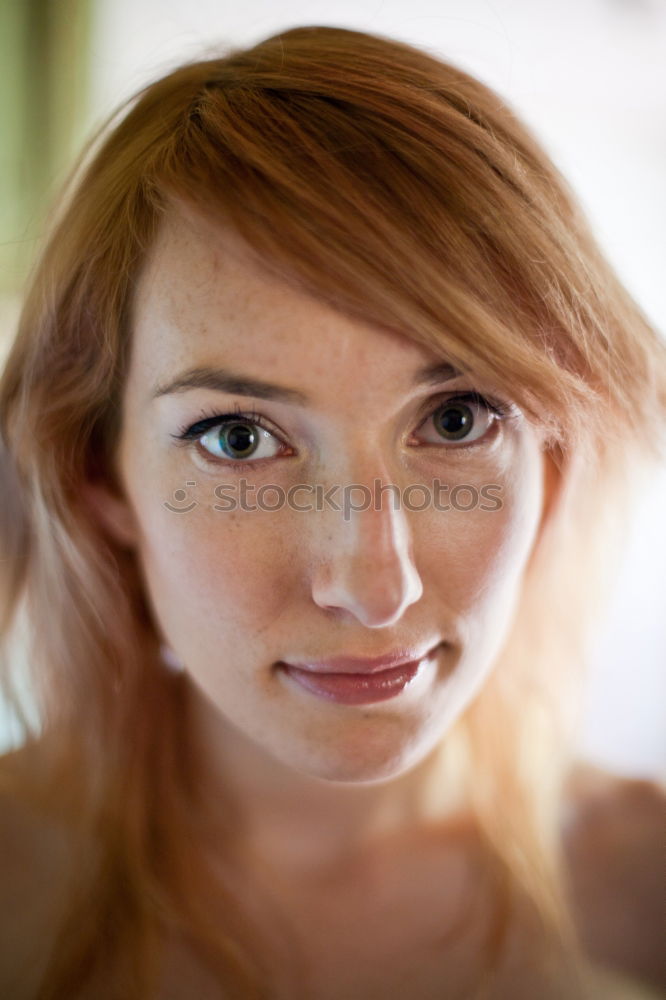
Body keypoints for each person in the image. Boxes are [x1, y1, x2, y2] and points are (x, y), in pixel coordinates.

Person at [0, 23, 664, 1000]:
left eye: (457, 416)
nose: (372, 583)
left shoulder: (644, 892)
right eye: (238, 438)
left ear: (554, 463)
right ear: (100, 478)